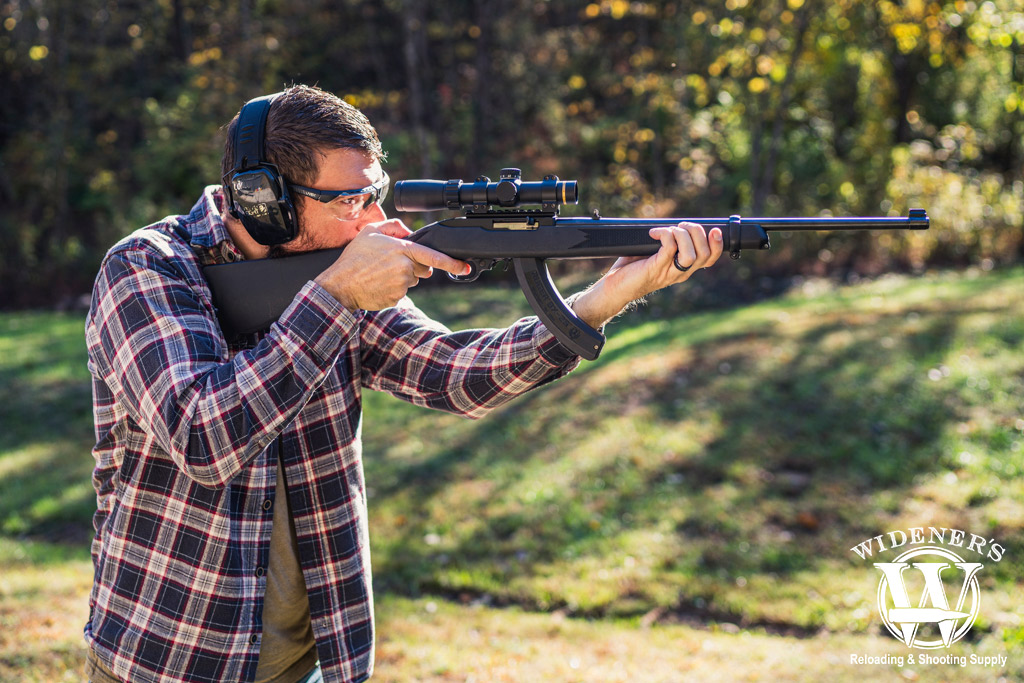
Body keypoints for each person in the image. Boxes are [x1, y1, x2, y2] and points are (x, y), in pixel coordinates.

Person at [83, 84, 723, 683]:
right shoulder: (147, 268)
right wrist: (333, 298)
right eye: (350, 200)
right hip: (169, 657)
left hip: (313, 658)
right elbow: (203, 437)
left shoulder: (341, 271)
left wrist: (598, 302)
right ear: (264, 200)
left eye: (376, 192)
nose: (374, 218)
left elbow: (454, 375)